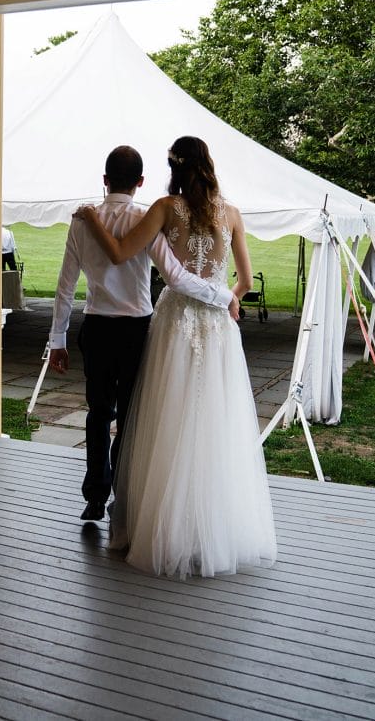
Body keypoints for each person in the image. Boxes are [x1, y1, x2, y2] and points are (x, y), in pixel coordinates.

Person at [74, 135, 277, 579]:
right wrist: (228, 301)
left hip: (174, 322)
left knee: (165, 418)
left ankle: (160, 526)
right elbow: (243, 279)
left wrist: (92, 217)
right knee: (214, 421)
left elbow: (121, 252)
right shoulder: (233, 214)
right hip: (218, 328)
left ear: (174, 169)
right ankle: (212, 529)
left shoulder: (166, 208)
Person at [48, 145, 238, 523]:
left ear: (105, 180)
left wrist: (58, 340)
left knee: (98, 414)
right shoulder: (147, 217)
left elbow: (65, 285)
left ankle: (94, 497)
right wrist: (224, 297)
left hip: (97, 327)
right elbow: (177, 275)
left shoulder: (82, 220)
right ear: (140, 182)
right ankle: (126, 494)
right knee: (132, 416)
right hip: (136, 330)